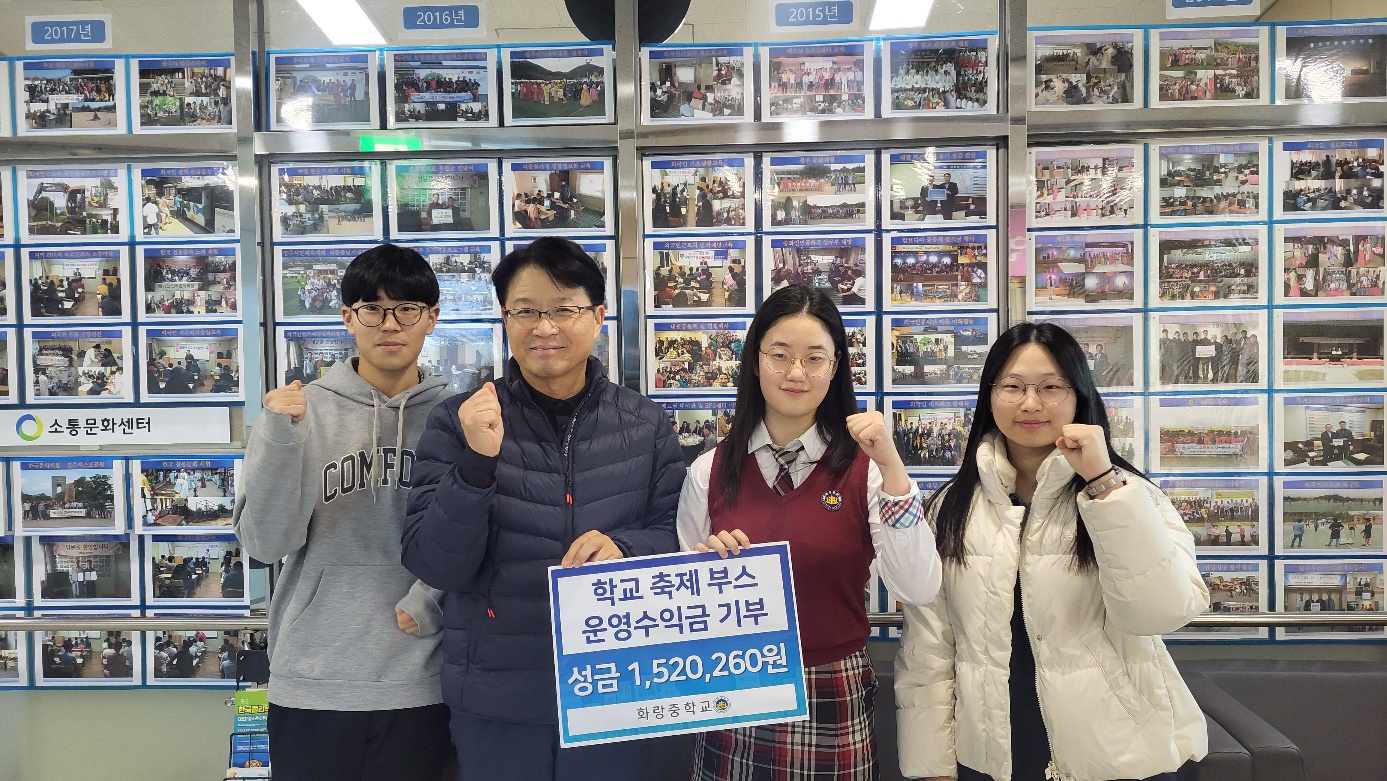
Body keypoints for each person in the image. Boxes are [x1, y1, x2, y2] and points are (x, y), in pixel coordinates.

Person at [402, 237, 686, 781]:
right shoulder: (458, 420)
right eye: (526, 311)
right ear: (505, 319)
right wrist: (476, 464)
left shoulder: (646, 423)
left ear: (598, 316)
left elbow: (675, 534)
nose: (545, 327)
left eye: (563, 309)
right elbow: (434, 565)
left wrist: (623, 547)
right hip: (497, 694)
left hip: (617, 690)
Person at [895, 322, 1209, 781]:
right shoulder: (951, 506)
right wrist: (932, 765)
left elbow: (1160, 613)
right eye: (1013, 387)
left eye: (1050, 387)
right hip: (995, 754)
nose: (1030, 403)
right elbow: (929, 646)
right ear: (989, 396)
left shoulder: (1128, 494)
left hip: (1120, 754)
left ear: (1079, 395)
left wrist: (1104, 485)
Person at [676, 285, 942, 780]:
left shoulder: (870, 472)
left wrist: (895, 470)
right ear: (755, 362)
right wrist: (705, 568)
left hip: (833, 691)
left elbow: (918, 586)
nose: (796, 372)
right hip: (736, 686)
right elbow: (687, 603)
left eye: (814, 358)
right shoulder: (709, 471)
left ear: (836, 367)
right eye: (780, 355)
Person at [233, 244, 455, 781]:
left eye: (407, 309)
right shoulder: (298, 411)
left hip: (423, 678)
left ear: (432, 317)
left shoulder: (457, 418)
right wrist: (281, 440)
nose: (390, 324)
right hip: (314, 679)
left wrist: (429, 601)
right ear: (347, 319)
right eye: (372, 309)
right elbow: (264, 544)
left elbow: (473, 534)